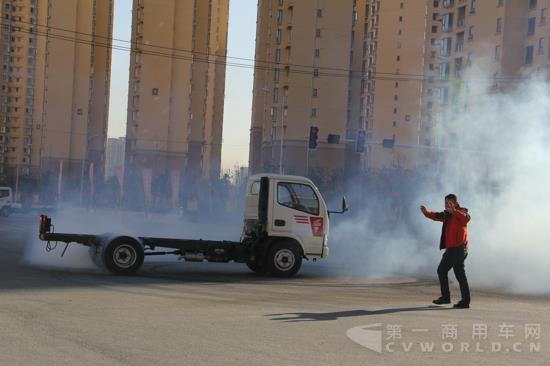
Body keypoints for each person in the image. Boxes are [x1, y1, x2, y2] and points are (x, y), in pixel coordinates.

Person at [420, 194, 471, 309]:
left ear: (455, 203)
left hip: (457, 249)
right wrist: (426, 213)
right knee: (460, 275)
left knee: (442, 270)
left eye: (449, 203)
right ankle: (465, 301)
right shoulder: (447, 215)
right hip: (456, 249)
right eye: (446, 203)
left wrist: (455, 211)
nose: (447, 205)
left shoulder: (461, 213)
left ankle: (446, 297)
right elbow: (436, 216)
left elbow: (466, 218)